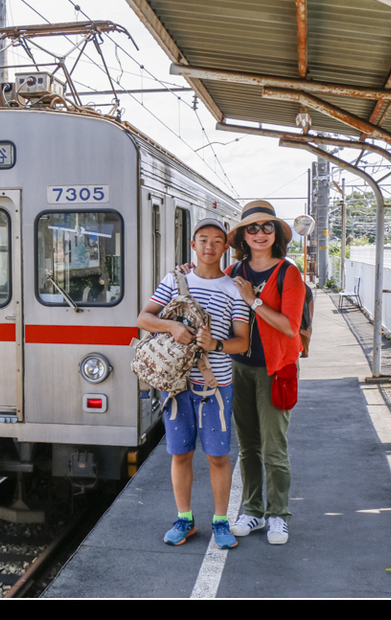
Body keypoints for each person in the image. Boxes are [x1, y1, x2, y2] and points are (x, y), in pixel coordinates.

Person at [137, 219, 250, 549]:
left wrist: (215, 344)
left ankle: (220, 521)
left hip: (216, 385)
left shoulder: (233, 289)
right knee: (181, 453)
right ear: (193, 245)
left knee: (217, 457)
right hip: (176, 383)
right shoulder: (175, 280)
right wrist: (170, 328)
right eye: (203, 240)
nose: (210, 246)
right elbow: (144, 318)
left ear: (225, 248)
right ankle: (184, 518)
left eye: (217, 241)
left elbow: (241, 342)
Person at [225, 200, 305, 545]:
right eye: (252, 228)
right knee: (248, 447)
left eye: (266, 227)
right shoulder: (231, 273)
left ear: (276, 234)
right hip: (239, 368)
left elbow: (289, 327)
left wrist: (253, 301)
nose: (259, 234)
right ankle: (252, 510)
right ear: (243, 235)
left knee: (274, 449)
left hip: (276, 371)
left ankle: (279, 516)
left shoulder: (289, 273)